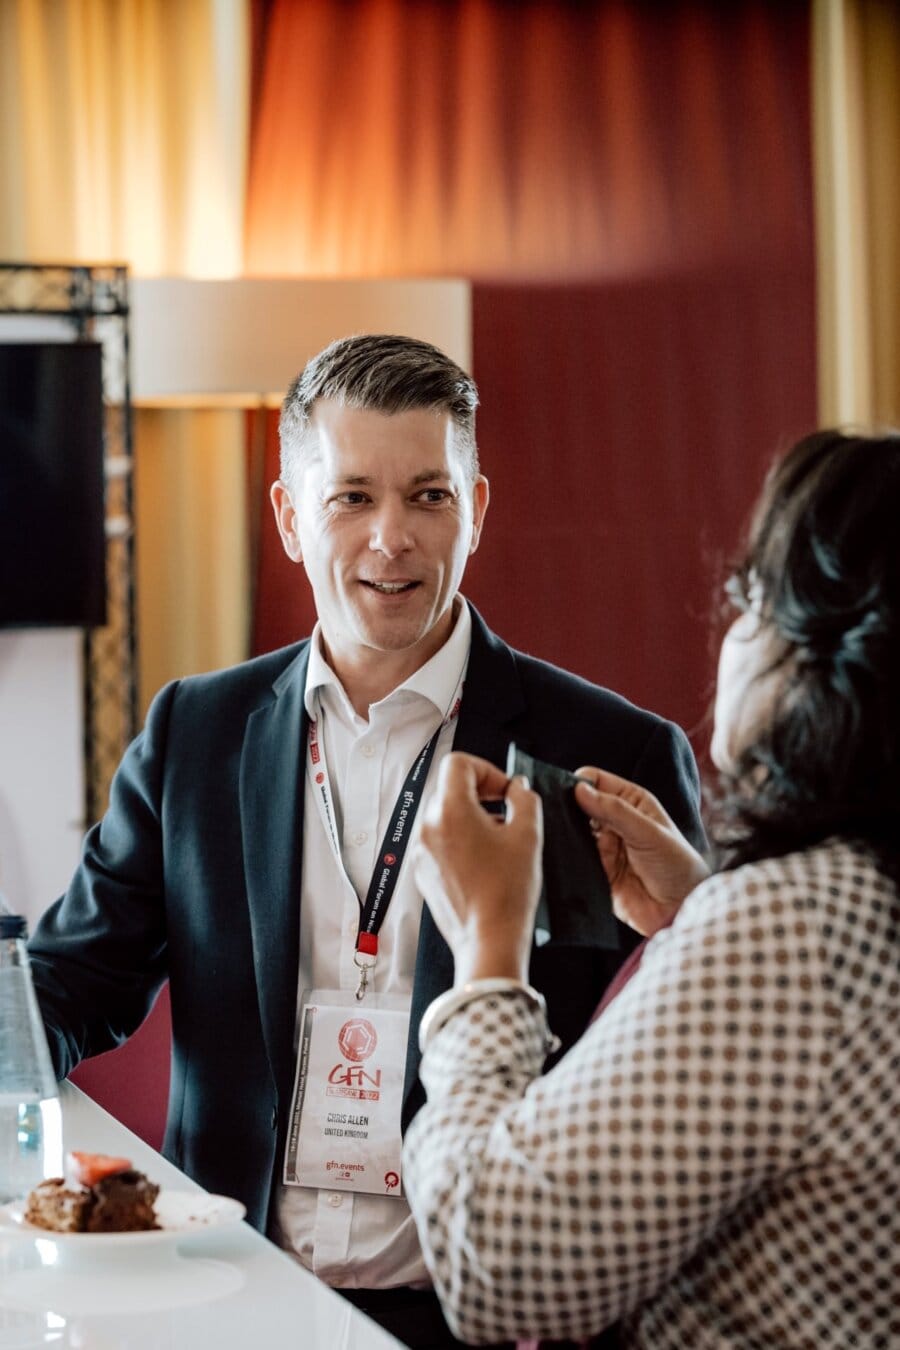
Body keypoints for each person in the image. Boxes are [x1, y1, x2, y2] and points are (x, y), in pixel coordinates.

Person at [27, 334, 703, 1350]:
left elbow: (693, 1045)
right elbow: (72, 984)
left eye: (429, 496)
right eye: (351, 497)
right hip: (228, 1295)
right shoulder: (192, 736)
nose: (393, 538)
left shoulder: (613, 752)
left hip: (489, 1316)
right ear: (291, 518)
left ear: (477, 508)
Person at [404, 429, 900, 1349]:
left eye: (753, 595)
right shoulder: (853, 900)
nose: (733, 626)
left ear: (833, 656)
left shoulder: (793, 927)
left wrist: (487, 948)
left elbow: (494, 1272)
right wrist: (698, 914)